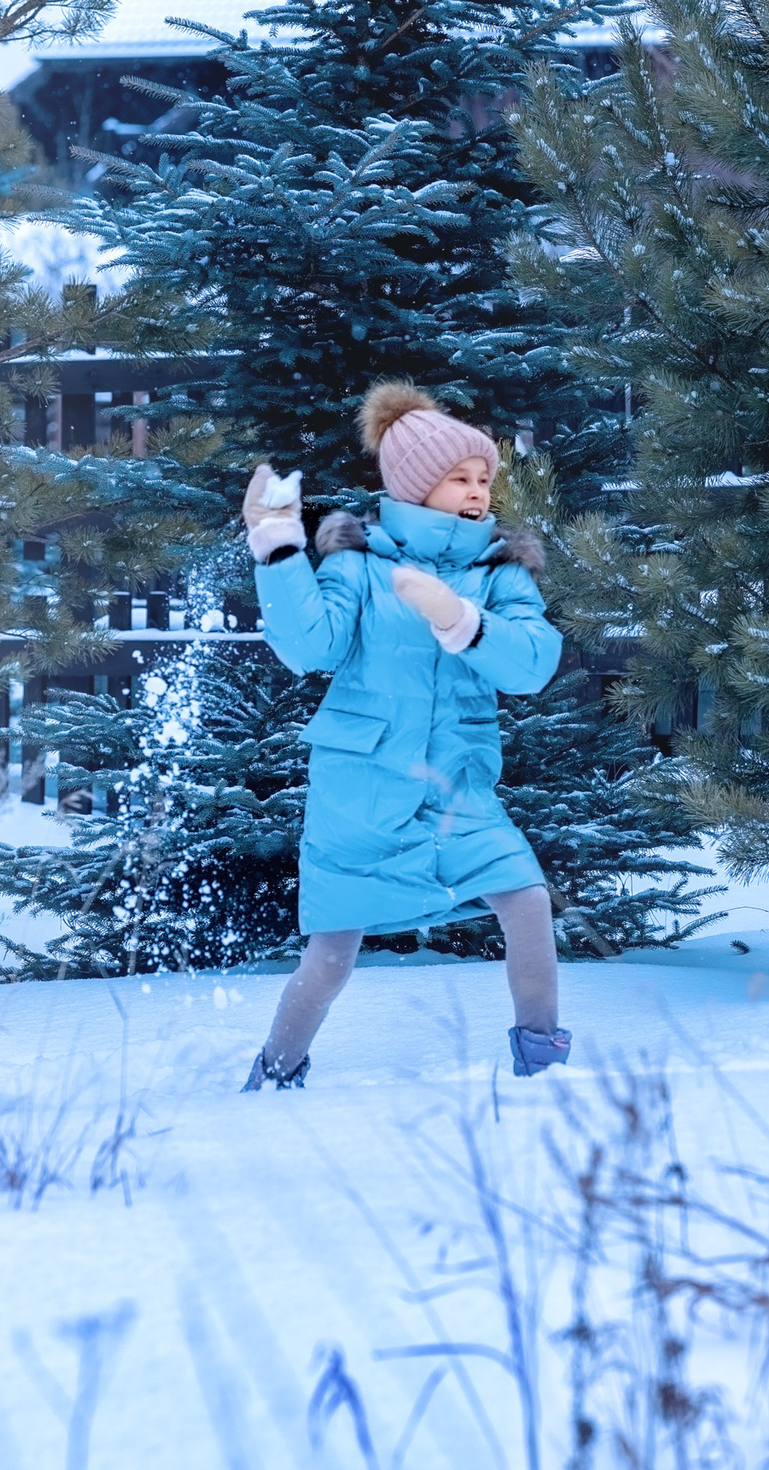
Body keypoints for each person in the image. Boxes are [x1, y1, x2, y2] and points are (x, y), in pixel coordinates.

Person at [236, 382, 572, 1088]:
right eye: (460, 478)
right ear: (418, 484)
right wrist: (279, 553)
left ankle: (544, 1067)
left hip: (458, 789)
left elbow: (534, 663)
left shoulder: (499, 573)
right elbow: (311, 647)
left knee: (528, 901)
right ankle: (274, 1073)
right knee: (330, 956)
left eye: (485, 479)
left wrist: (462, 619)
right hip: (360, 794)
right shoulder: (359, 564)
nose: (479, 492)